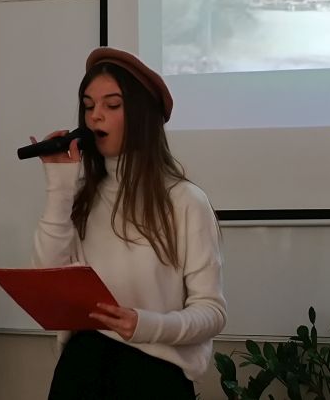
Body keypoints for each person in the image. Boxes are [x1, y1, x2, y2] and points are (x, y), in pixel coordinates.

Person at [30, 47, 227, 399]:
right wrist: (59, 184)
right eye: (88, 106)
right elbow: (48, 281)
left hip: (152, 377)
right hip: (80, 371)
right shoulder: (81, 196)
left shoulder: (185, 200)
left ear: (140, 115)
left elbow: (211, 312)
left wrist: (145, 325)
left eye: (112, 105)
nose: (95, 117)